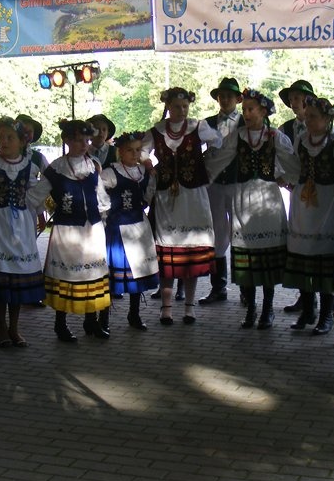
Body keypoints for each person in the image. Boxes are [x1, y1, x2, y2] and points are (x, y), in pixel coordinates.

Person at [205, 88, 292, 329]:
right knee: (248, 253)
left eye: (250, 109)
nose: (246, 113)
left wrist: (294, 180)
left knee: (267, 255)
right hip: (243, 197)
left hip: (268, 200)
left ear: (263, 111)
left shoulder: (274, 136)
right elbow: (218, 159)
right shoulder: (238, 136)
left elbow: (291, 162)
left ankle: (267, 309)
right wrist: (201, 178)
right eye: (244, 109)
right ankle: (252, 308)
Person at [141, 87, 222, 326]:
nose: (182, 110)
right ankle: (166, 309)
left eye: (185, 106)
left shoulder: (198, 127)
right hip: (167, 196)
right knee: (168, 253)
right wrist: (150, 166)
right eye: (177, 106)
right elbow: (142, 152)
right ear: (168, 106)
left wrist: (206, 162)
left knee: (191, 254)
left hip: (194, 195)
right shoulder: (156, 130)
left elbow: (218, 141)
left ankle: (189, 307)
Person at [26, 119, 111, 341]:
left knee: (93, 273)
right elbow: (35, 196)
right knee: (66, 275)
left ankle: (91, 321)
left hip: (92, 230)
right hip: (67, 233)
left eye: (86, 140)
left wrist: (104, 218)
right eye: (78, 140)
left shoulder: (93, 165)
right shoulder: (56, 168)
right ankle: (60, 324)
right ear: (66, 140)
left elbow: (101, 197)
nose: (83, 145)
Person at [283, 96, 334, 335]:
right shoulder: (302, 140)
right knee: (302, 252)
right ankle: (307, 310)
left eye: (313, 116)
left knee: (325, 257)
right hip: (303, 203)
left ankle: (326, 315)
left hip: (329, 202)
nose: (308, 120)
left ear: (326, 119)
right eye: (308, 115)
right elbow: (295, 168)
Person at [0, 116, 45, 348]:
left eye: (10, 137)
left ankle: (14, 327)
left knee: (18, 277)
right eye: (1, 137)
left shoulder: (30, 166)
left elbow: (34, 196)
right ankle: (1, 326)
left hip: (20, 225)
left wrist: (39, 215)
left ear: (22, 141)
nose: (4, 141)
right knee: (1, 276)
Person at [100, 131, 159, 330]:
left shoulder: (143, 172)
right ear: (120, 151)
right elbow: (99, 193)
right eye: (129, 150)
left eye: (138, 150)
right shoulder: (111, 172)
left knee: (137, 273)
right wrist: (106, 214)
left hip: (139, 228)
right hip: (117, 229)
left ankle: (134, 314)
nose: (134, 154)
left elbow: (149, 195)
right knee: (113, 276)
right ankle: (103, 319)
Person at [200, 77, 244, 305]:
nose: (225, 100)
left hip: (238, 183)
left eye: (229, 96)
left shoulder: (247, 121)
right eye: (221, 96)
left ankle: (246, 289)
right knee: (216, 235)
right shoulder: (207, 123)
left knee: (241, 235)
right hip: (215, 184)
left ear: (238, 99)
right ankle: (218, 287)